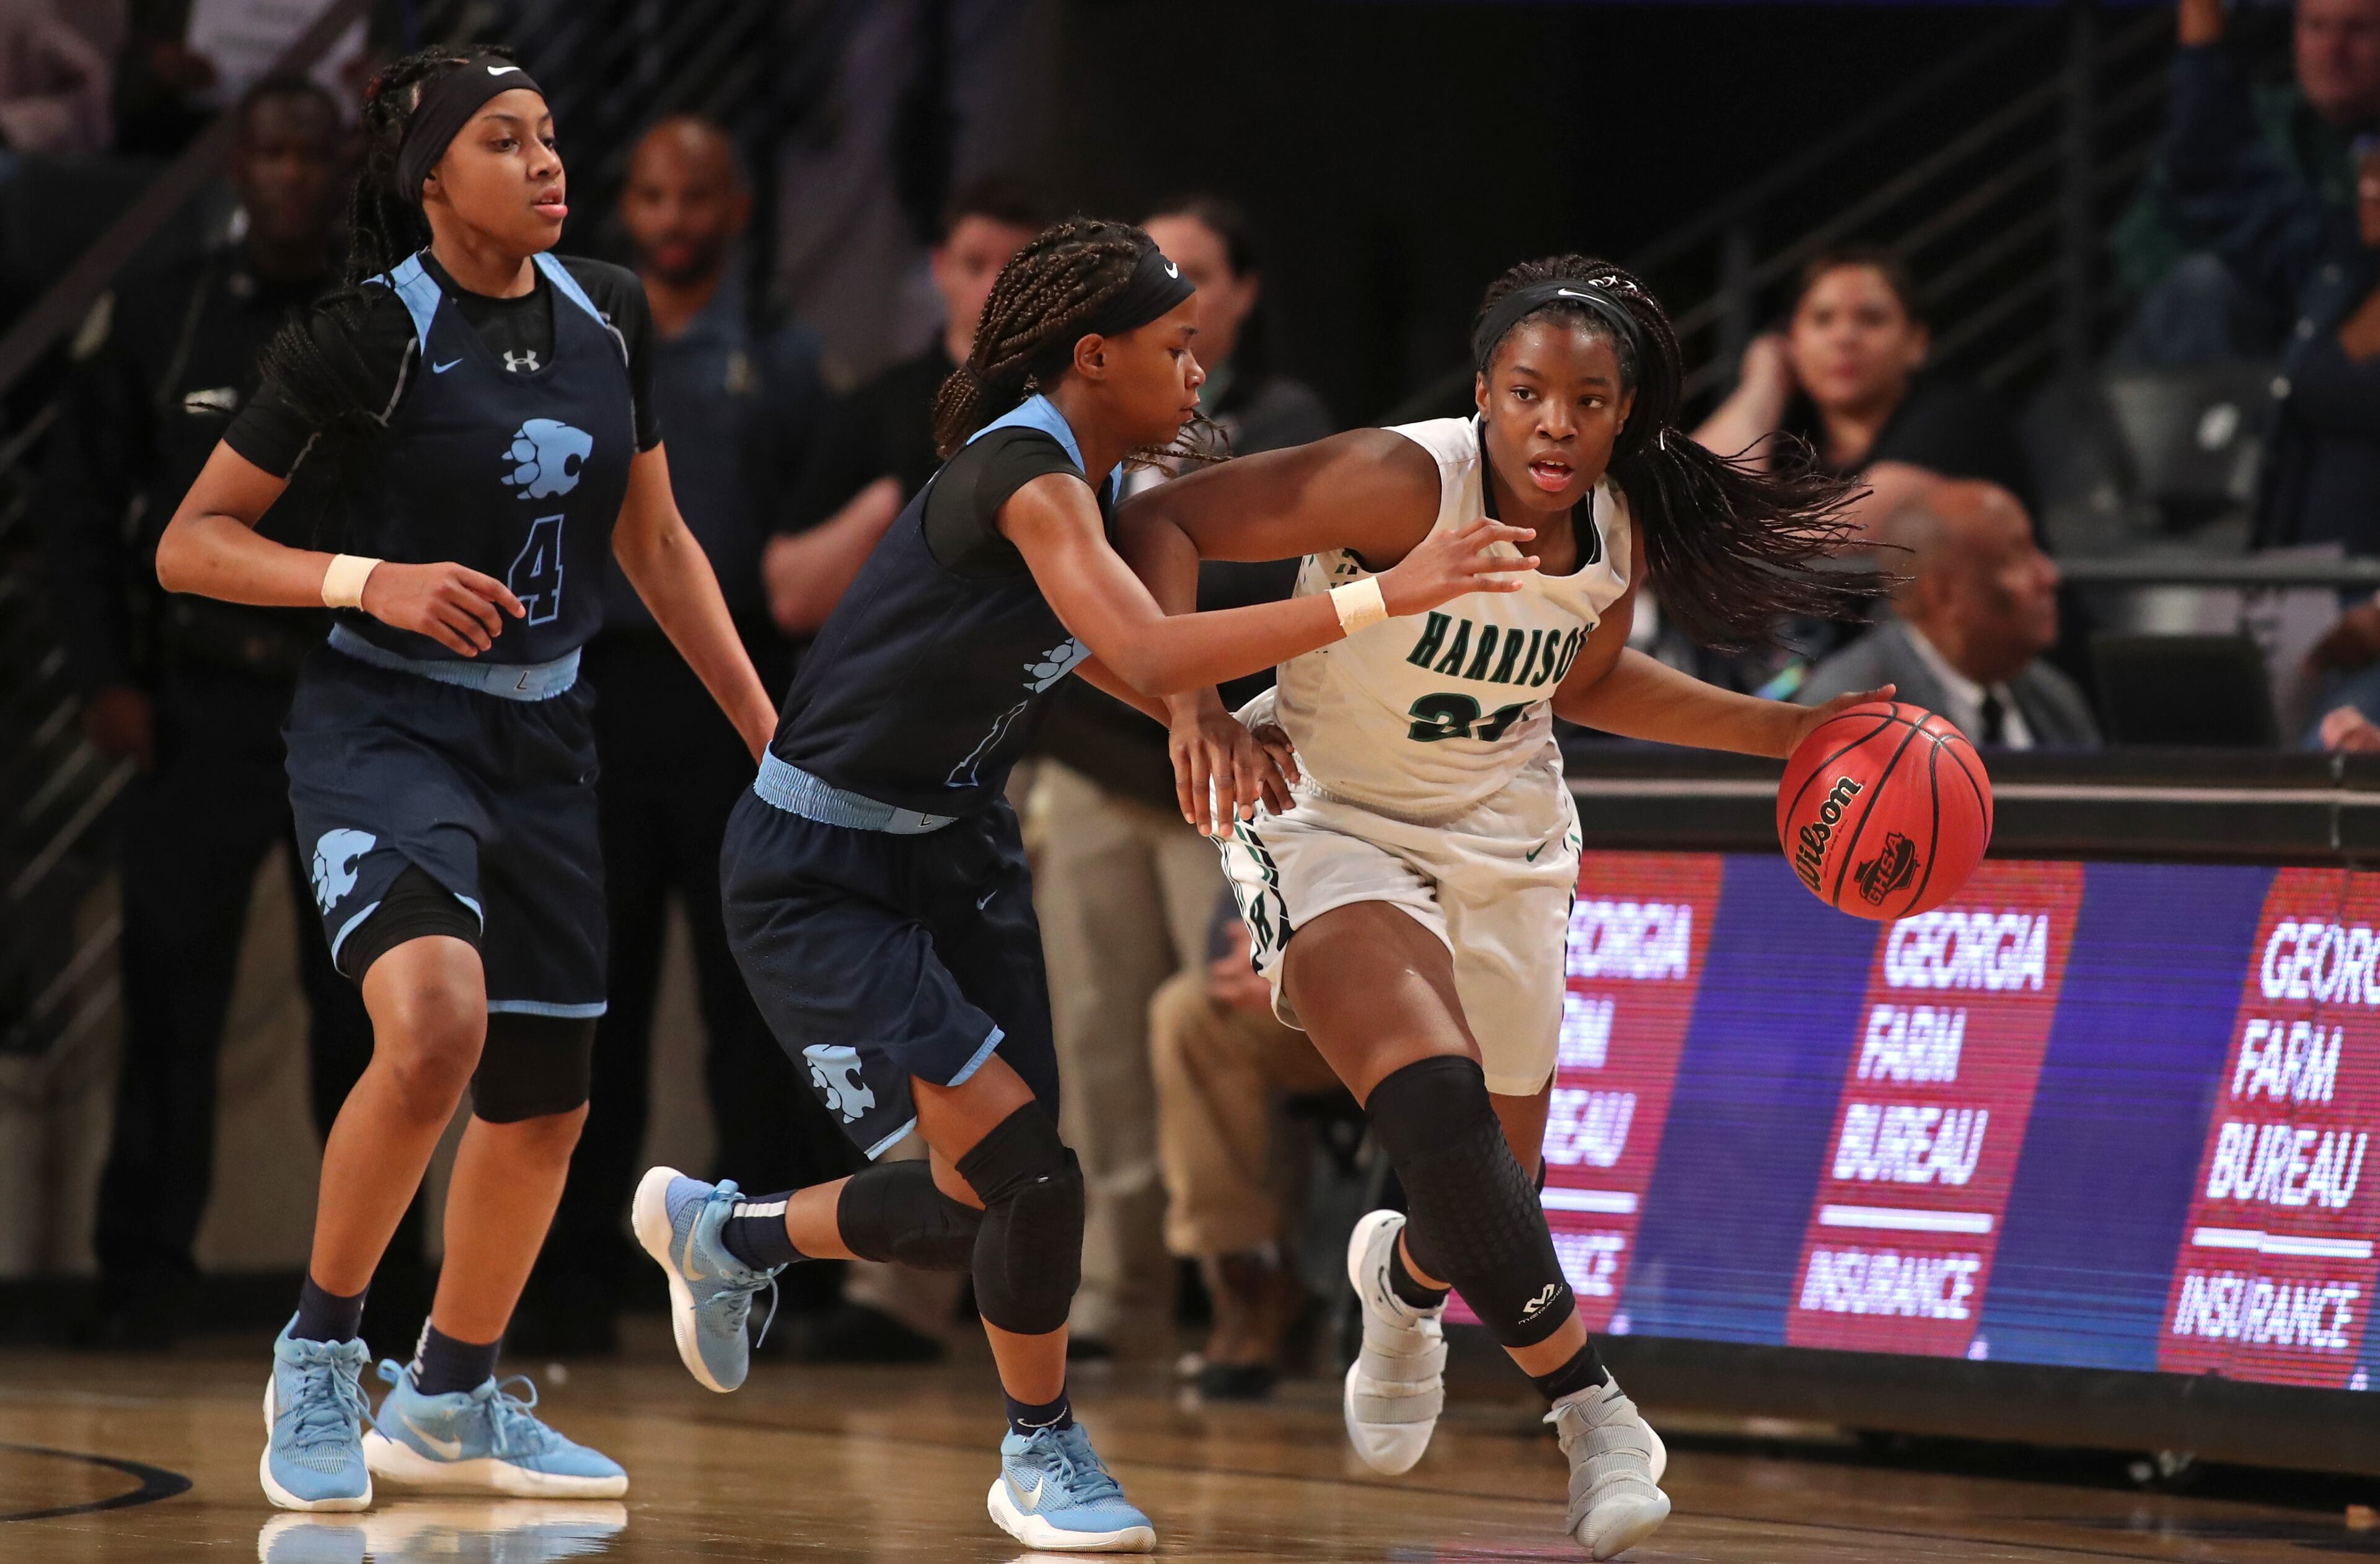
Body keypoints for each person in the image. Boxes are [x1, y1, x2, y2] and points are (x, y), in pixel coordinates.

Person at [633, 217, 1528, 1553]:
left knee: (980, 1199)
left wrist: (1199, 712)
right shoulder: (1025, 476)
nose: (1198, 363)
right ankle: (1039, 1451)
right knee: (1034, 1185)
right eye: (1175, 346)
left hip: (955, 844)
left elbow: (1105, 647)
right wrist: (1381, 596)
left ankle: (731, 1236)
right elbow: (1141, 630)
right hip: (824, 864)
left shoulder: (1094, 491)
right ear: (1093, 355)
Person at [1118, 255, 1885, 1558]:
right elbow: (1164, 523)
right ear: (1485, 393)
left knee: (1488, 1188)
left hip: (1507, 834)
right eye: (1527, 392)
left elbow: (1583, 682)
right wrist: (1191, 701)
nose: (1553, 422)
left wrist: (1795, 731)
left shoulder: (1618, 523)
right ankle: (1591, 1410)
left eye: (1587, 402)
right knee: (1433, 1101)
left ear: (1623, 415)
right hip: (1327, 807)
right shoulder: (1402, 478)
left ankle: (1403, 1282)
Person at [154, 47, 777, 1510]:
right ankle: (319, 1350)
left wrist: (769, 730)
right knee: (435, 1025)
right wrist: (367, 579)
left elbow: (658, 545)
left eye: (553, 134)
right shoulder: (365, 334)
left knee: (546, 1097)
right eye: (506, 141)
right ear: (432, 177)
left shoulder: (609, 313)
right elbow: (194, 540)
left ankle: (450, 1394)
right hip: (383, 726)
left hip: (549, 737)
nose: (548, 160)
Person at [39, 75, 402, 1350]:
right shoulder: (163, 310)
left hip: (349, 698)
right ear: (236, 170)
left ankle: (372, 1299)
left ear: (344, 169)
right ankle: (142, 1277)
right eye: (270, 154)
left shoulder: (386, 325)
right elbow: (78, 513)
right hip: (194, 696)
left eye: (315, 154)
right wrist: (102, 680)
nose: (293, 175)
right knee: (168, 1000)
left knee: (362, 1004)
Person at [523, 113, 845, 1356]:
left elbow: (795, 549)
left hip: (734, 691)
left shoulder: (787, 355)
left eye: (696, 194)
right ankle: (568, 1272)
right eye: (650, 192)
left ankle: (770, 1254)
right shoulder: (579, 338)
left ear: (738, 209)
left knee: (747, 991)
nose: (672, 216)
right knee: (590, 990)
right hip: (593, 691)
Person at [1025, 192, 1333, 1359]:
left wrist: (1190, 683)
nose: (1174, 299)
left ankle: (1239, 1289)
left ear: (1241, 295)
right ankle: (1112, 1297)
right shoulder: (1073, 428)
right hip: (1103, 757)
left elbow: (1263, 596)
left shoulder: (1286, 416)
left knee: (1222, 1021)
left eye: (1195, 278)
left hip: (1229, 768)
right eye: (1153, 276)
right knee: (1097, 1045)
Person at [763, 175, 1047, 640]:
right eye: (975, 265)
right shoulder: (876, 408)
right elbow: (792, 599)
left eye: (1017, 269)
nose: (996, 290)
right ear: (940, 269)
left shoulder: (1082, 405)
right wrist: (888, 506)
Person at [2165, 0, 2380, 556]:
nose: (2373, 181)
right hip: (2302, 596)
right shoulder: (2339, 268)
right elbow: (2215, 176)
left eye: (2359, 31)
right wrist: (2202, 32)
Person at [2113, 0, 2380, 367]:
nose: (2333, 51)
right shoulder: (2253, 122)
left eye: (2359, 30)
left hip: (2340, 367)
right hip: (2231, 357)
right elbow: (2144, 247)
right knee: (2203, 287)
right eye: (2317, 28)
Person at [1691, 246, 2038, 524]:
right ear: (1792, 341)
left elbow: (1829, 536)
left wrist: (1722, 523)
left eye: (1871, 319)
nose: (1844, 338)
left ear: (1917, 343)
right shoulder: (1792, 442)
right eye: (1822, 319)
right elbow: (1687, 498)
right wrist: (1763, 384)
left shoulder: (1957, 418)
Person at [1148, 898, 1338, 1399]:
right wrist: (1258, 960)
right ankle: (1246, 1277)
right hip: (1312, 1003)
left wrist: (1314, 973)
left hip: (1423, 999)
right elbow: (1232, 901)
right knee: (1189, 1009)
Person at [1794, 481, 2097, 750]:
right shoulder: (1852, 709)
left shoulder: (2055, 698)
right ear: (1946, 594)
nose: (2050, 576)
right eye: (2017, 557)